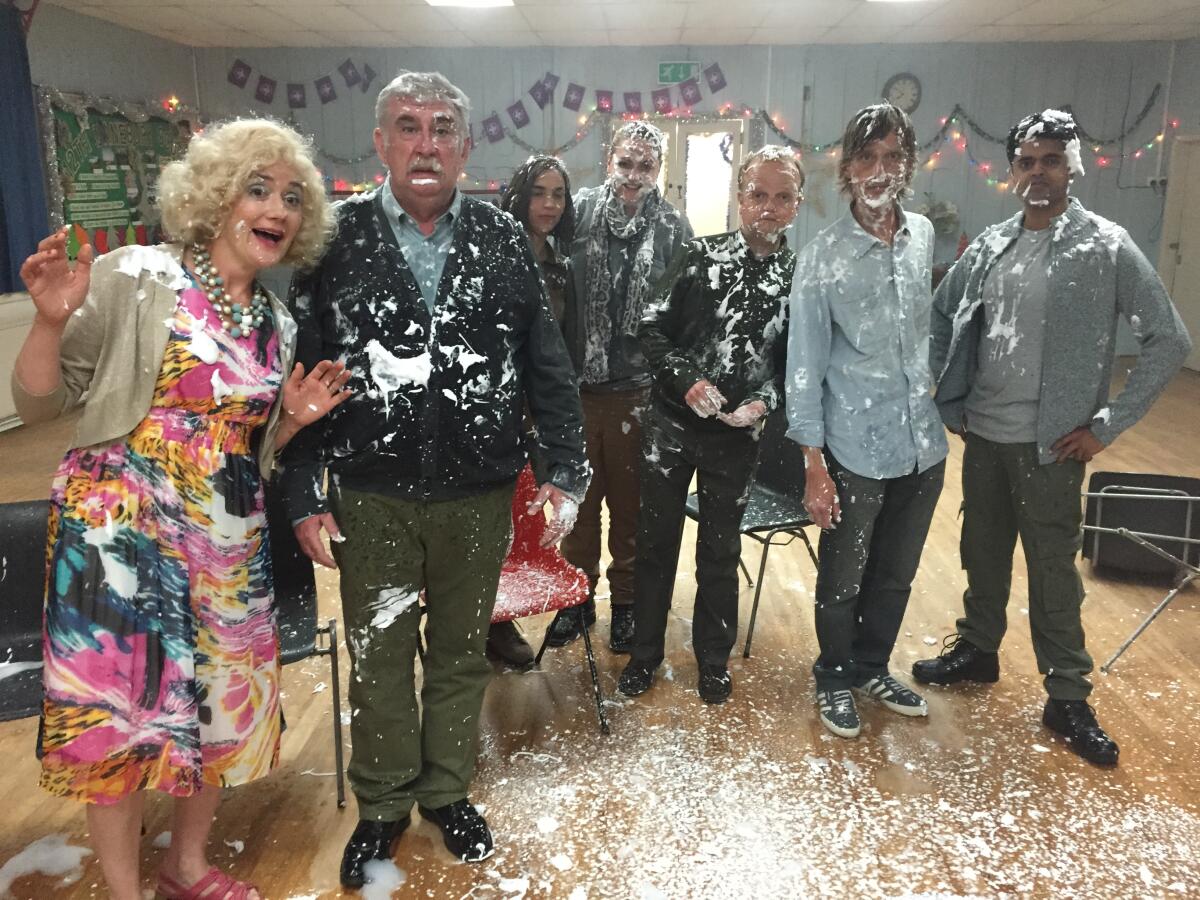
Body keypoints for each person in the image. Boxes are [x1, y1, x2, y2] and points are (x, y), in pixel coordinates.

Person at [12, 118, 347, 900]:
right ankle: (127, 892)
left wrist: (290, 421)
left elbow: (247, 453)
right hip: (117, 534)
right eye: (257, 189)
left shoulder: (275, 320)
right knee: (121, 715)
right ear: (214, 198)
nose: (277, 208)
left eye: (292, 197)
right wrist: (51, 319)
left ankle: (185, 866)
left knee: (223, 706)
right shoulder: (138, 275)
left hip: (226, 539)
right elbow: (37, 404)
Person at [277, 72, 588, 885]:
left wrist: (566, 467)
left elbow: (546, 364)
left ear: (465, 146)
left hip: (477, 492)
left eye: (442, 128)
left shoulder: (500, 236)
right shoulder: (331, 239)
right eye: (407, 127)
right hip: (370, 491)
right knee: (379, 657)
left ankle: (446, 790)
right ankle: (381, 805)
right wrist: (303, 488)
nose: (425, 143)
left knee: (457, 655)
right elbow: (301, 375)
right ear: (379, 143)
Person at [912, 109, 1192, 766]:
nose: (1039, 174)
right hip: (984, 435)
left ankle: (1067, 693)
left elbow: (1169, 340)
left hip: (1053, 448)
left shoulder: (1106, 246)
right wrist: (940, 396)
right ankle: (979, 649)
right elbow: (941, 317)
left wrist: (1107, 426)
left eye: (1051, 161)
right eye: (1027, 162)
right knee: (981, 552)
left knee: (1051, 572)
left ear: (1072, 167)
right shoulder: (990, 245)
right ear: (1013, 171)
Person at [617, 146, 804, 704]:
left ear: (796, 205)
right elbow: (648, 329)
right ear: (739, 197)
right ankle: (644, 655)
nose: (768, 209)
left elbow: (798, 363)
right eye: (757, 195)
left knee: (720, 553)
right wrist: (686, 381)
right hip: (671, 428)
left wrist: (766, 402)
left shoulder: (800, 278)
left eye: (782, 197)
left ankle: (713, 660)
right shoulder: (699, 257)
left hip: (739, 438)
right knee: (655, 546)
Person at [786, 103, 948, 740]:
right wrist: (813, 465)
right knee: (845, 575)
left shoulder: (923, 236)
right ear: (847, 168)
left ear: (907, 164)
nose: (879, 171)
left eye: (892, 157)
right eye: (867, 158)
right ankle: (834, 674)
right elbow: (804, 367)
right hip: (854, 447)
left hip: (922, 446)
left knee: (896, 572)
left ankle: (872, 665)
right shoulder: (822, 258)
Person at [548, 121, 694, 653]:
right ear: (610, 160)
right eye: (626, 163)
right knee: (579, 504)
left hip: (640, 393)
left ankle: (628, 603)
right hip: (577, 391)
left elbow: (683, 313)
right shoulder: (578, 213)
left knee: (633, 507)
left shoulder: (675, 229)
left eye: (646, 166)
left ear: (660, 171)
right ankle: (578, 599)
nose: (634, 177)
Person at [483, 154, 580, 669]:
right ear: (520, 195)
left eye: (558, 195)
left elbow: (565, 348)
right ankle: (487, 623)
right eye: (539, 192)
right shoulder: (493, 253)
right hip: (494, 411)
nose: (548, 204)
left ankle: (497, 619)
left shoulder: (562, 268)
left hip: (540, 414)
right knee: (491, 518)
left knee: (524, 517)